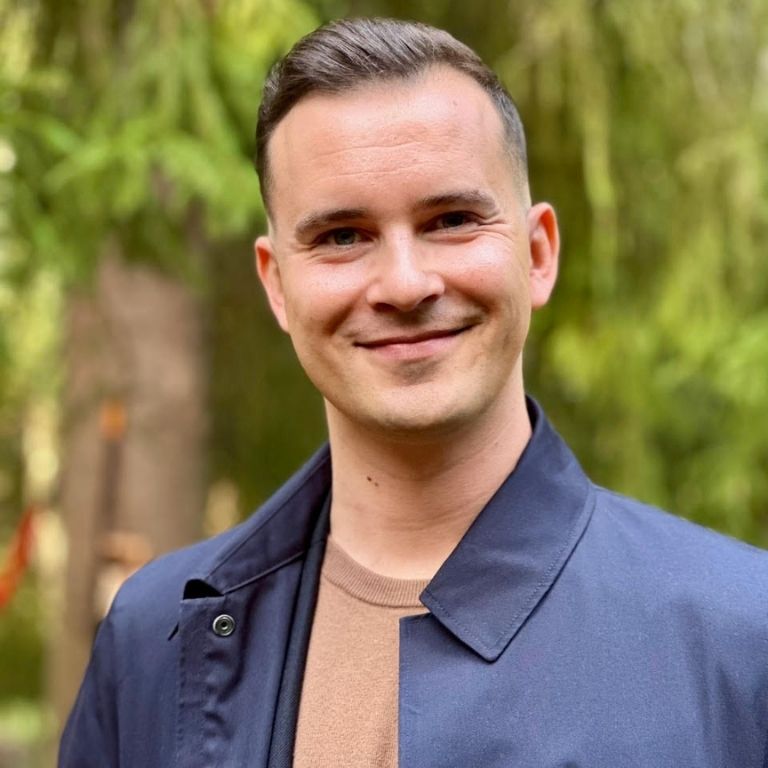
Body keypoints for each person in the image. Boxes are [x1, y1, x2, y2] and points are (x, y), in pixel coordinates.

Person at [60, 17, 768, 768]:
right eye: (342, 236)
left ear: (537, 254)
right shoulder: (154, 645)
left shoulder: (741, 638)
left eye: (452, 220)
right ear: (277, 285)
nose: (403, 284)